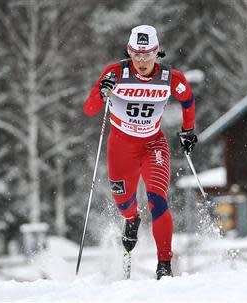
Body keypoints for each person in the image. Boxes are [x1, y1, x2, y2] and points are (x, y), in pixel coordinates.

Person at [83, 25, 197, 279]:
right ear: (129, 51)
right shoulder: (115, 72)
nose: (142, 60)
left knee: (157, 200)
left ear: (157, 52)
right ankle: (132, 219)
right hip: (120, 148)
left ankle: (164, 265)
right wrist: (103, 92)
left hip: (152, 145)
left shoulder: (170, 77)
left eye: (148, 54)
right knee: (124, 203)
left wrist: (188, 131)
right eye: (136, 54)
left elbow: (187, 99)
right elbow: (89, 109)